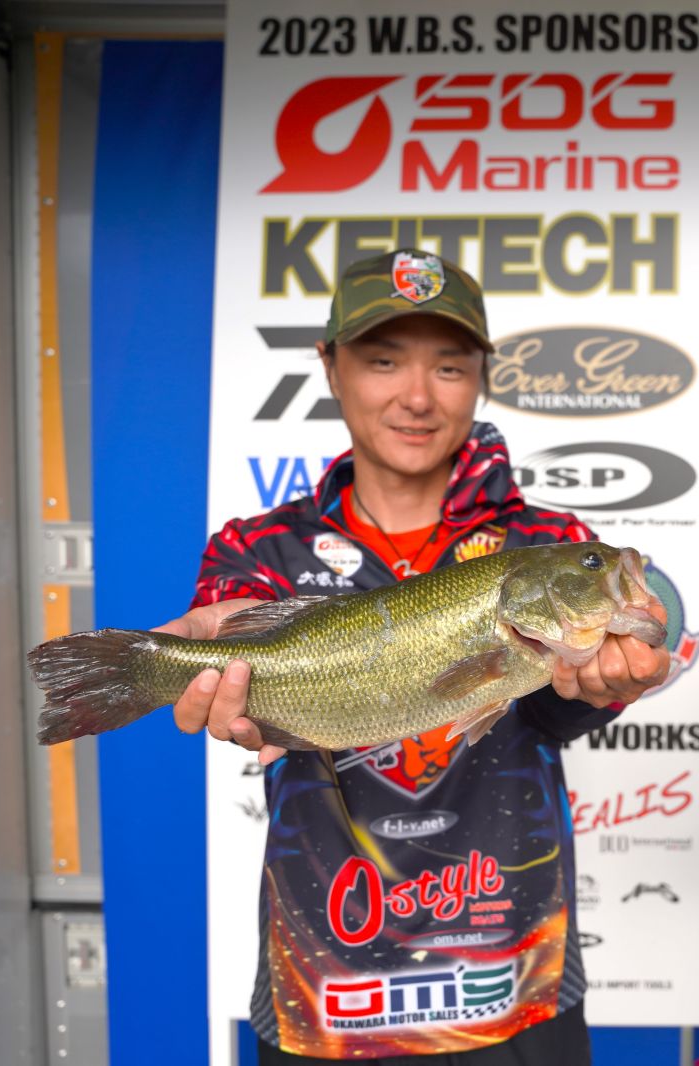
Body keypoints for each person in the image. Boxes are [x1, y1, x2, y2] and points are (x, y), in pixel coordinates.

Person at [157, 250, 670, 1064]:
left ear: (482, 377)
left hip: (514, 982)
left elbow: (555, 709)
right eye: (384, 361)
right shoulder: (259, 551)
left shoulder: (547, 542)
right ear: (330, 366)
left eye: (450, 366)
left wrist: (601, 683)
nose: (419, 397)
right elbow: (236, 687)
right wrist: (203, 673)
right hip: (324, 992)